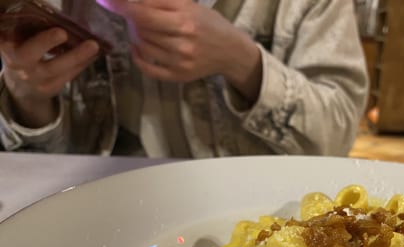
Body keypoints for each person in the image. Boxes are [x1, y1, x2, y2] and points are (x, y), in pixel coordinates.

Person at [0, 0, 369, 158]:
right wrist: (28, 100)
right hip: (98, 230)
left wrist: (242, 61)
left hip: (261, 224)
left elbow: (336, 137)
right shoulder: (58, 7)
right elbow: (32, 170)